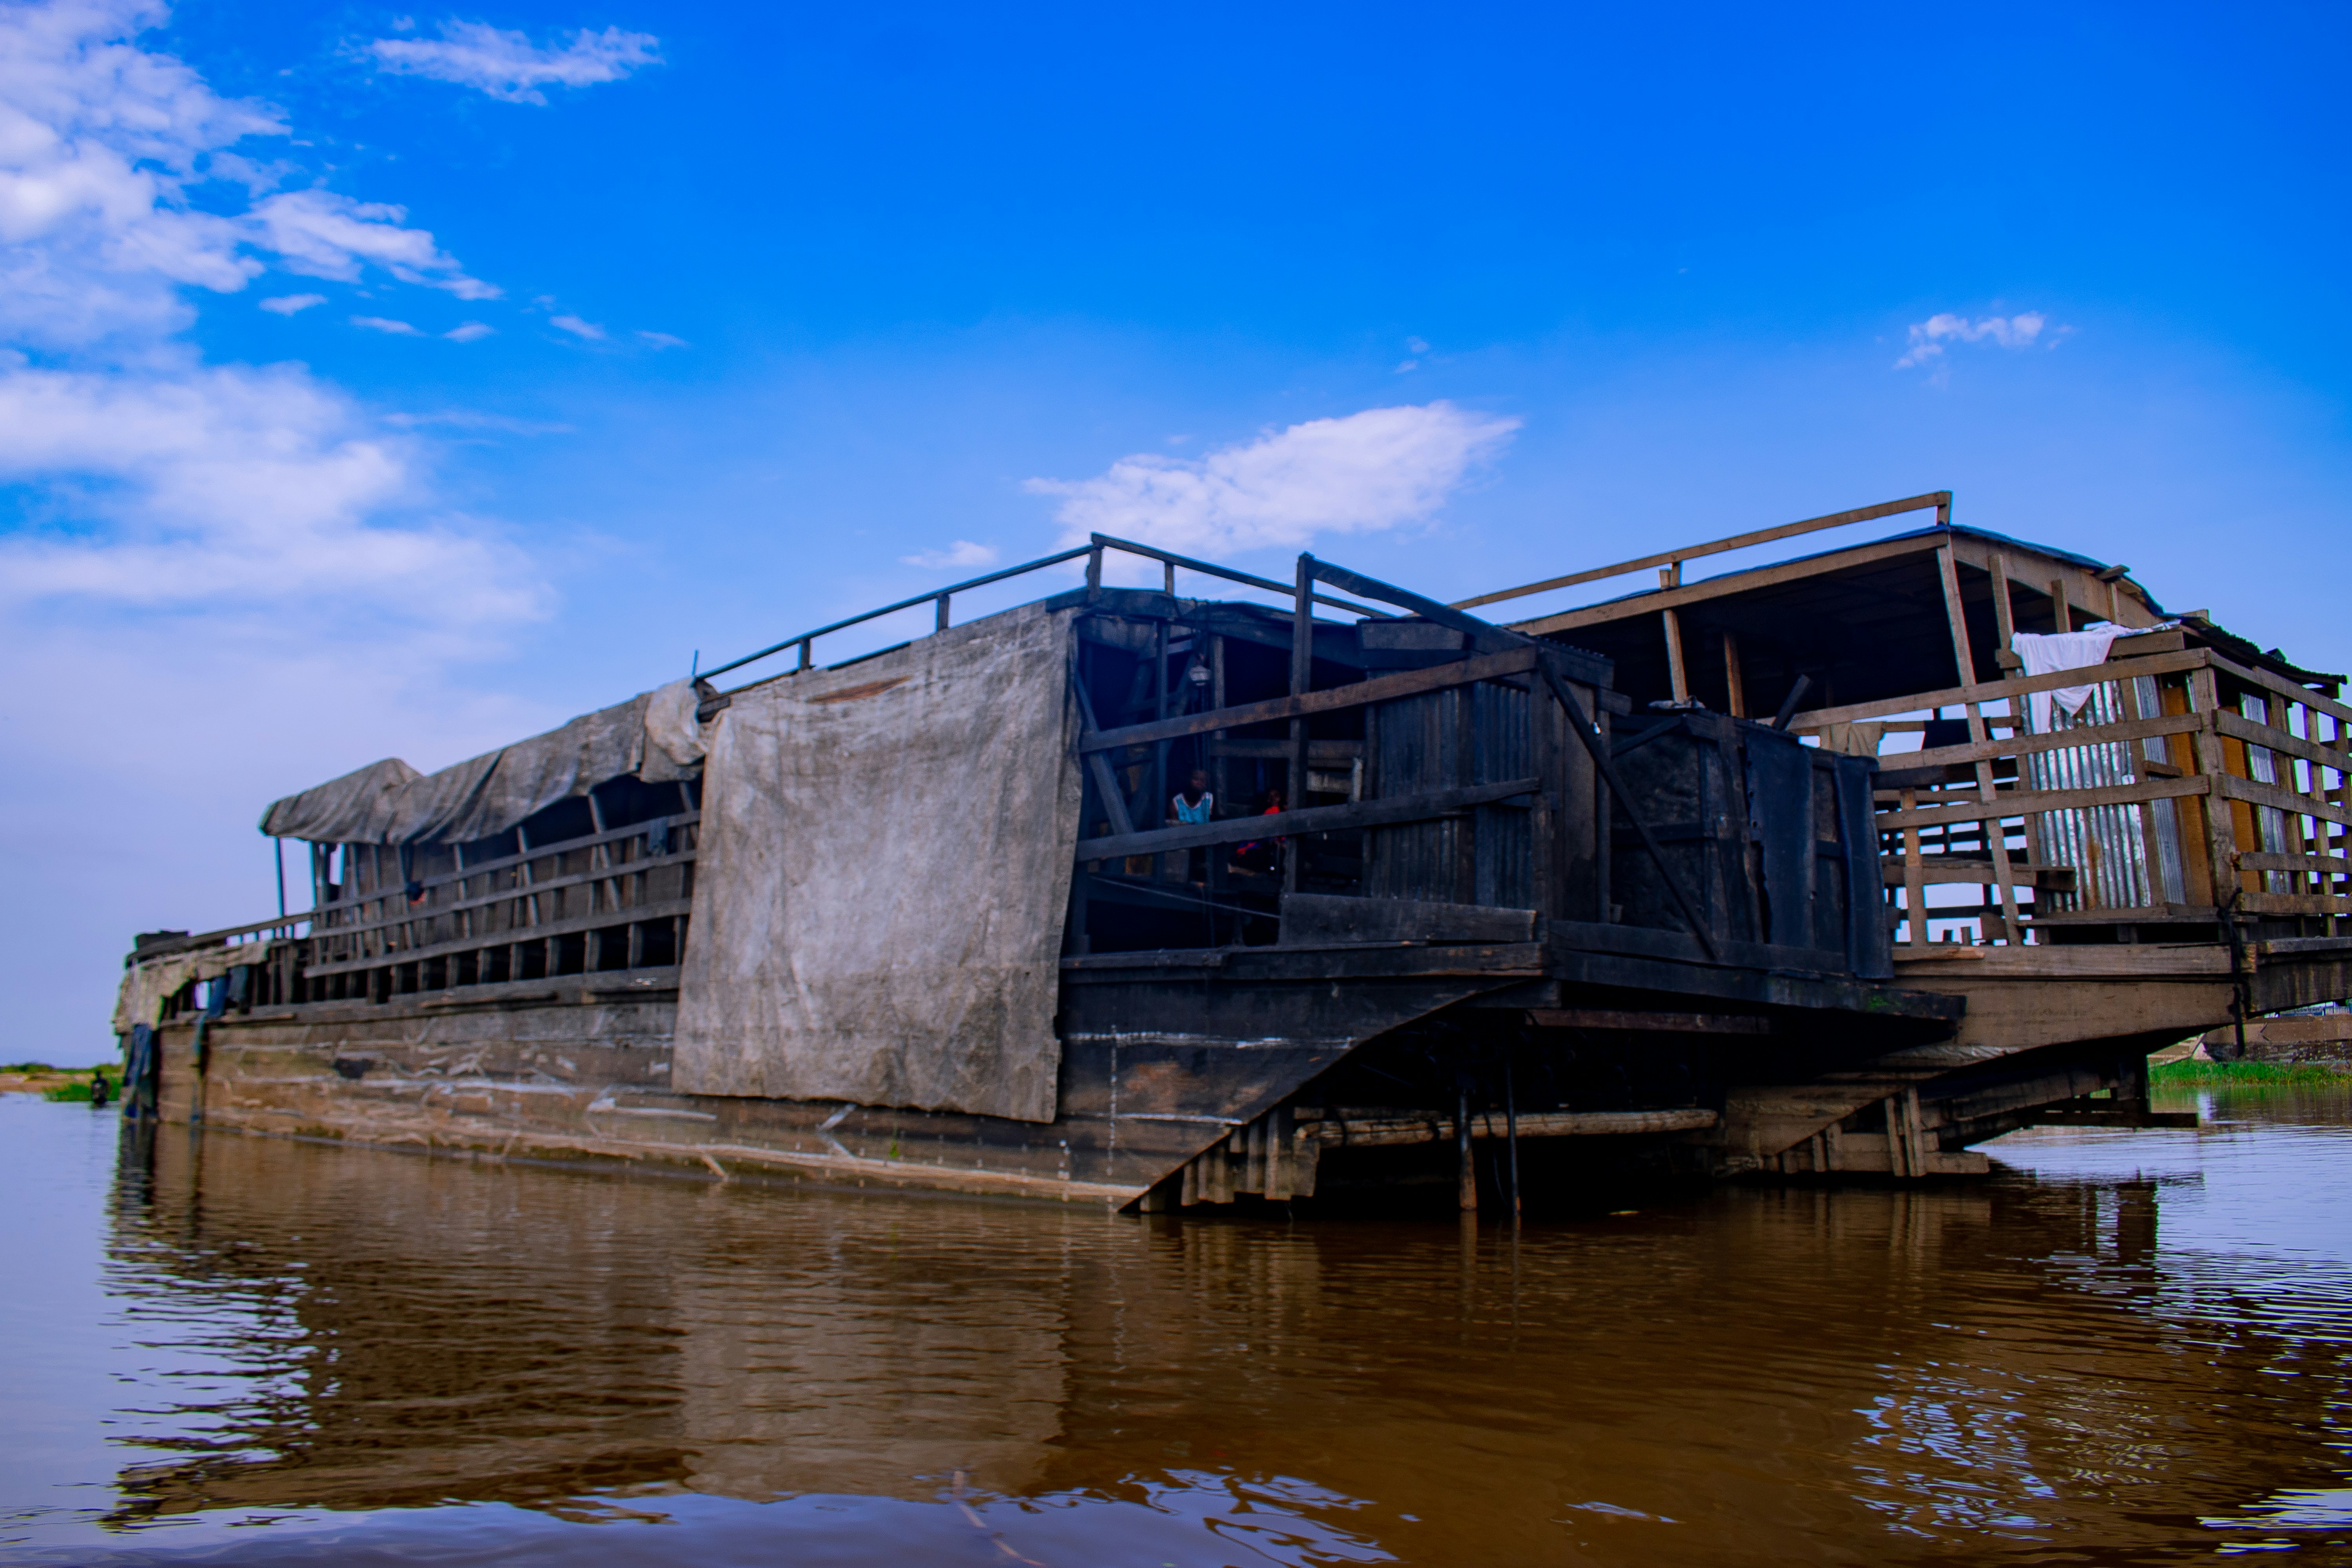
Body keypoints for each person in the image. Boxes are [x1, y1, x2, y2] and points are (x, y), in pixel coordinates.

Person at [1228, 787, 1286, 874]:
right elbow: (1266, 837)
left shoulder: (1282, 814)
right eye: (1270, 796)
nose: (1273, 799)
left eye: (1276, 796)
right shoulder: (1268, 812)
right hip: (1250, 851)